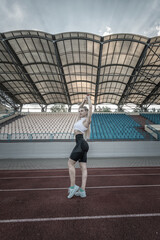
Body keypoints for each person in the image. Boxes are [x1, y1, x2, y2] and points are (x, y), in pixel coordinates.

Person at [67, 95, 92, 199]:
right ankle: (82, 190)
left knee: (70, 163)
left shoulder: (87, 121)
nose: (80, 112)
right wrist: (83, 101)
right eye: (80, 111)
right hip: (82, 144)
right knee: (83, 168)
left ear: (86, 112)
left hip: (81, 143)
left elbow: (90, 108)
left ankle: (73, 187)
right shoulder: (79, 120)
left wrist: (89, 99)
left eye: (82, 111)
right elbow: (79, 108)